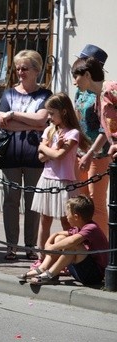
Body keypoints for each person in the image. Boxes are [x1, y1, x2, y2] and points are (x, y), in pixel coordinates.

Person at [0, 49, 52, 261]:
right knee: (10, 200)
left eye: (25, 68)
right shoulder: (9, 93)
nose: (20, 72)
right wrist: (29, 124)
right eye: (18, 68)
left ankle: (30, 246)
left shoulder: (45, 95)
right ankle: (11, 245)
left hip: (34, 156)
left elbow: (41, 120)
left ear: (36, 70)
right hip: (10, 155)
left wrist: (14, 116)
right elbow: (3, 122)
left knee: (32, 202)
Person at [30, 92, 90, 267]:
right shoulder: (50, 130)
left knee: (67, 221)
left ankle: (67, 260)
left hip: (64, 182)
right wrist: (49, 147)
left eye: (52, 113)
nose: (49, 117)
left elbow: (58, 155)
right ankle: (41, 257)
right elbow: (41, 158)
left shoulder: (73, 133)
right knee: (44, 219)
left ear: (63, 112)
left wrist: (44, 147)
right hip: (47, 179)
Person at [17, 195, 109, 286]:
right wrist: (48, 244)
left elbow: (72, 241)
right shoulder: (78, 227)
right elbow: (57, 234)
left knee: (72, 246)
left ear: (76, 217)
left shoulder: (91, 228)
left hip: (93, 276)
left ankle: (49, 275)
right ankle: (43, 268)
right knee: (60, 239)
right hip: (80, 270)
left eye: (67, 214)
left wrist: (52, 247)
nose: (66, 217)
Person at [72, 45, 111, 238]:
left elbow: (106, 129)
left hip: (100, 155)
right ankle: (84, 241)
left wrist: (90, 153)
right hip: (82, 153)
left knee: (96, 202)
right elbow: (77, 120)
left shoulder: (103, 94)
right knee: (82, 200)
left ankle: (102, 247)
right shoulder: (80, 91)